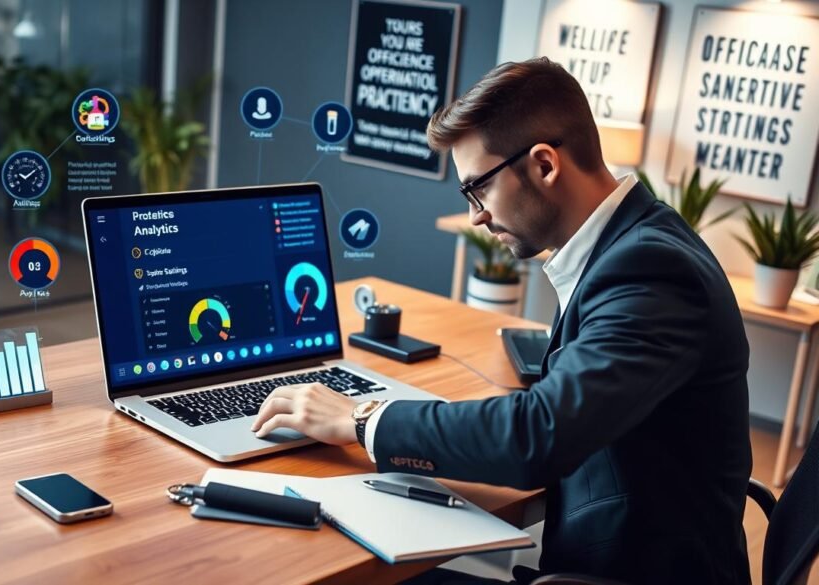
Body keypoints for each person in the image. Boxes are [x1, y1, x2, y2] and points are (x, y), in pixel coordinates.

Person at [250, 57, 752, 584]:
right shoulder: (631, 242)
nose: (476, 216)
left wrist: (361, 419)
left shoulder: (650, 269)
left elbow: (538, 436)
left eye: (478, 188)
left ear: (544, 165)